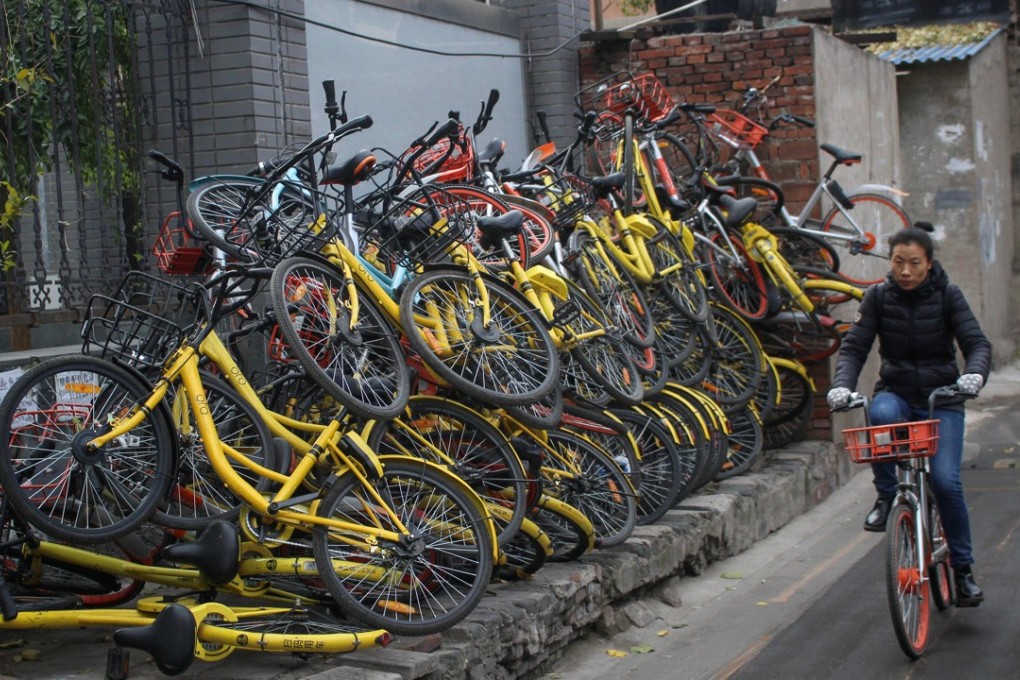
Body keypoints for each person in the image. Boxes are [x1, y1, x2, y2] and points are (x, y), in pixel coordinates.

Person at [826, 222, 991, 607]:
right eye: (898, 262)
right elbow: (853, 348)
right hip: (897, 393)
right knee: (879, 412)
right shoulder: (879, 298)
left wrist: (972, 375)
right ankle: (887, 496)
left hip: (942, 400)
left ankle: (963, 571)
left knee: (947, 484)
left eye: (914, 263)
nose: (905, 271)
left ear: (929, 264)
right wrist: (841, 385)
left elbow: (977, 343)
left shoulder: (949, 296)